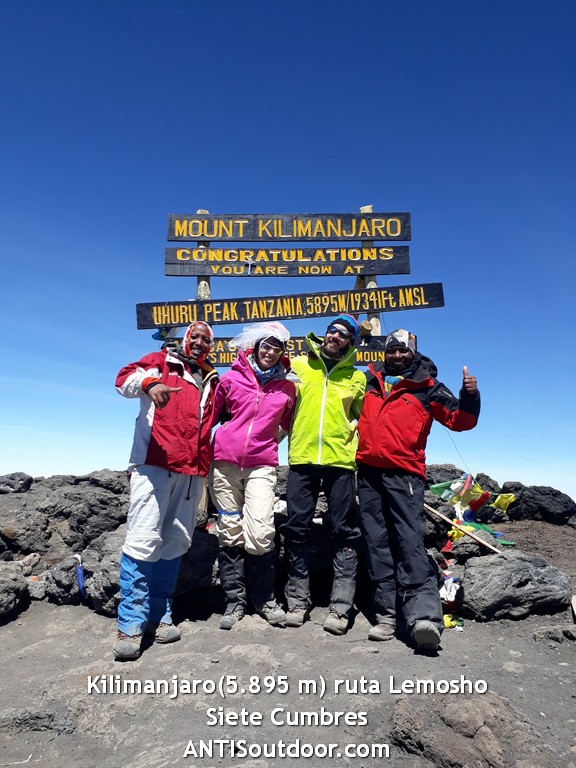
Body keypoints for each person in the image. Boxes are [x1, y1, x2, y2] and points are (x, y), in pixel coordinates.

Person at [356, 329, 480, 650]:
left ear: (414, 352)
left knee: (409, 543)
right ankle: (386, 616)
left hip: (405, 476)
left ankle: (424, 617)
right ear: (384, 354)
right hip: (368, 474)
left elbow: (460, 421)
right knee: (376, 543)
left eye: (404, 351)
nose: (397, 356)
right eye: (392, 351)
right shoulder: (370, 382)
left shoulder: (428, 387)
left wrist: (469, 396)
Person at [113, 321, 219, 660]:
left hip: (192, 473)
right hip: (155, 464)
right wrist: (150, 383)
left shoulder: (211, 380)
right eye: (196, 337)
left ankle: (160, 615)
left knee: (174, 541)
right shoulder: (160, 362)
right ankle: (130, 623)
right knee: (143, 540)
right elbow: (123, 380)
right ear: (185, 340)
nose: (201, 343)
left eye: (206, 339)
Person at [282, 315, 366, 635]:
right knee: (296, 528)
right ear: (325, 335)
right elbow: (278, 399)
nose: (335, 335)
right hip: (302, 459)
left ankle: (341, 607)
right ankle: (297, 602)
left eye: (343, 333)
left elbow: (365, 417)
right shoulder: (300, 366)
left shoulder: (356, 378)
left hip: (340, 463)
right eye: (332, 330)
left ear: (350, 342)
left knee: (343, 531)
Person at [210, 322, 296, 630]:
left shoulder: (287, 386)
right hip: (224, 464)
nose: (270, 352)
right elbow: (212, 417)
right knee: (230, 529)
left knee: (260, 531)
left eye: (277, 348)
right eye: (266, 346)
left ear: (282, 353)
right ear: (256, 346)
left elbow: (290, 422)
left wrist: (270, 442)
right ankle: (234, 603)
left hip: (262, 465)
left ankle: (264, 600)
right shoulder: (231, 378)